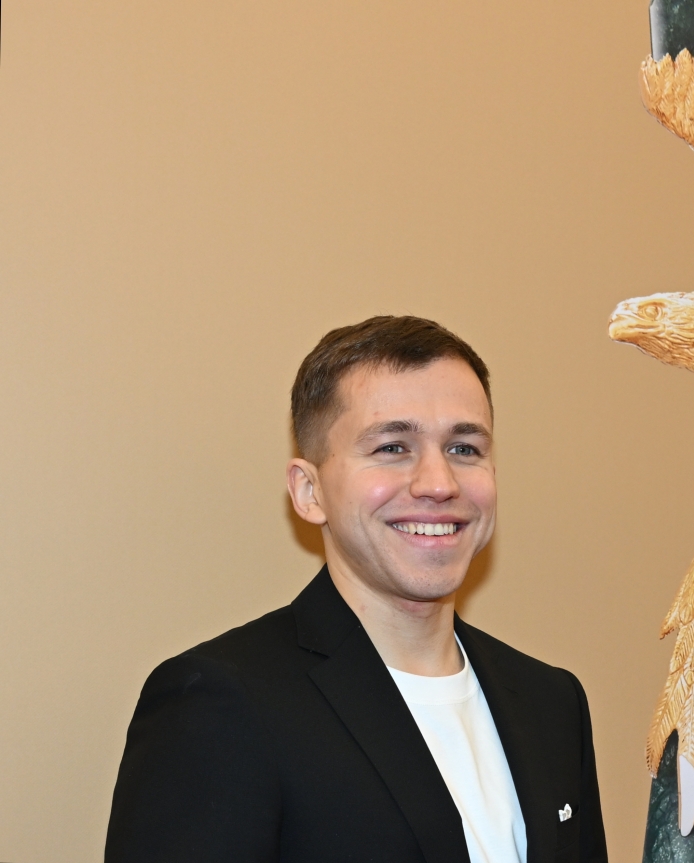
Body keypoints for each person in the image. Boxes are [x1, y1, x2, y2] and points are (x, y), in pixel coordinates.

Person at [105, 316, 607, 863]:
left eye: (464, 448)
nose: (439, 483)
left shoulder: (552, 702)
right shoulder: (221, 704)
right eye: (392, 447)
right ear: (309, 491)